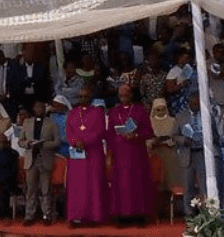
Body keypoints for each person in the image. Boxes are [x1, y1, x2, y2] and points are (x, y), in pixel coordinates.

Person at [107, 84, 155, 224]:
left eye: (125, 94)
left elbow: (149, 131)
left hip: (136, 154)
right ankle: (123, 216)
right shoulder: (114, 112)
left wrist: (136, 135)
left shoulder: (140, 110)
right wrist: (109, 154)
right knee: (121, 186)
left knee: (137, 184)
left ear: (131, 95)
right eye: (120, 94)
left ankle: (139, 215)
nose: (123, 97)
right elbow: (110, 134)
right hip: (119, 154)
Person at [66, 85, 108, 227]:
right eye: (80, 97)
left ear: (90, 97)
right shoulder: (72, 113)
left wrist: (85, 141)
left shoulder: (97, 112)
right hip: (77, 157)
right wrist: (75, 141)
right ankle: (76, 217)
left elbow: (100, 131)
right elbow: (69, 131)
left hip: (93, 154)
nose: (83, 99)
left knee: (93, 186)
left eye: (85, 96)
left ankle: (94, 217)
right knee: (76, 187)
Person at [176, 92, 223, 215]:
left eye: (198, 103)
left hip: (203, 154)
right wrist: (183, 140)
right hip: (188, 154)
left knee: (204, 187)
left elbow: (216, 136)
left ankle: (206, 215)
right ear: (189, 103)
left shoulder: (207, 116)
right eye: (194, 103)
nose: (196, 105)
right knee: (188, 187)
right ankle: (189, 216)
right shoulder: (180, 116)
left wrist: (207, 138)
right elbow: (174, 136)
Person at [19, 101, 61, 225]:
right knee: (31, 189)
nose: (39, 109)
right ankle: (29, 215)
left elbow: (57, 142)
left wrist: (43, 144)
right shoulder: (27, 122)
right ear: (33, 109)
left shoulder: (52, 123)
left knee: (45, 189)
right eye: (37, 107)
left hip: (45, 158)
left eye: (41, 107)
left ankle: (46, 215)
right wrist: (26, 143)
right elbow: (21, 140)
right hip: (31, 159)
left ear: (44, 109)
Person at [147, 98, 181, 212]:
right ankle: (158, 210)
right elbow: (147, 139)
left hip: (170, 155)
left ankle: (173, 210)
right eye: (158, 109)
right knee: (158, 184)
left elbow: (176, 136)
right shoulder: (150, 121)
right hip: (155, 155)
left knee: (171, 183)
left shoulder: (172, 121)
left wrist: (169, 140)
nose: (160, 111)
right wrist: (153, 142)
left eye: (163, 109)